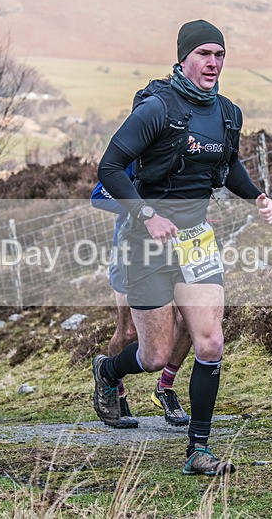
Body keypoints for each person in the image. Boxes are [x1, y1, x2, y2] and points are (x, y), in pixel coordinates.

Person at [93, 20, 272, 476]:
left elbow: (229, 165)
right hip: (146, 241)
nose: (213, 62)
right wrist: (146, 215)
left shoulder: (228, 113)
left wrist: (256, 194)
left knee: (210, 342)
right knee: (153, 354)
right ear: (183, 58)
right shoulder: (158, 108)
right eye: (204, 54)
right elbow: (110, 168)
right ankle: (109, 372)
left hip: (196, 242)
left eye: (219, 54)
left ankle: (199, 450)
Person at [91, 169, 191, 429]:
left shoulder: (183, 145)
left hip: (178, 248)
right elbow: (98, 196)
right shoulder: (136, 151)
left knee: (190, 319)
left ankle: (165, 388)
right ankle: (114, 388)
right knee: (128, 331)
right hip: (131, 250)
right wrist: (144, 211)